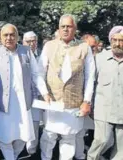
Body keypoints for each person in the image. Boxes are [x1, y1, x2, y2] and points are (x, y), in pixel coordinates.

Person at [38, 14, 95, 160]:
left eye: (69, 26)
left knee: (69, 137)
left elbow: (90, 77)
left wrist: (87, 101)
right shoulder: (49, 46)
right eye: (62, 26)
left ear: (75, 29)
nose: (65, 29)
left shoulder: (84, 48)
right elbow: (39, 73)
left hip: (74, 102)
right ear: (58, 28)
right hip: (53, 101)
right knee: (49, 136)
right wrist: (44, 93)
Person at [0, 23, 48, 160]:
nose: (9, 38)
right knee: (5, 136)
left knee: (23, 136)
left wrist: (45, 93)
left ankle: (13, 156)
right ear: (0, 37)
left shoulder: (26, 51)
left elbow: (36, 74)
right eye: (6, 35)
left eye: (12, 35)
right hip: (3, 103)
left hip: (23, 103)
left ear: (17, 37)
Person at [87, 26, 123, 160]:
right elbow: (90, 83)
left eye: (121, 41)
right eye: (114, 40)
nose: (117, 44)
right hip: (103, 109)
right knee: (102, 140)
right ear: (110, 40)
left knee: (121, 149)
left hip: (122, 111)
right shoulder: (100, 59)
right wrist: (88, 104)